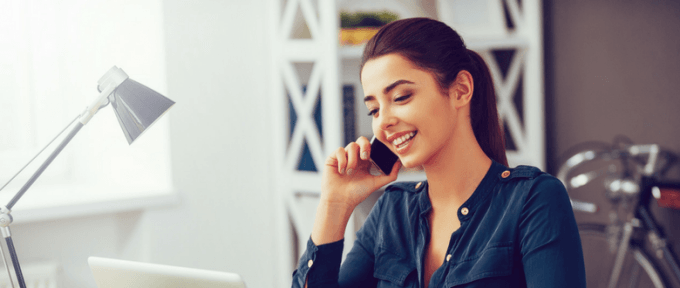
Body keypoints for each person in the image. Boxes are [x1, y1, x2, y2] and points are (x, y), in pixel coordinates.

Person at [291, 17, 586, 288]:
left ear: (460, 90)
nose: (383, 122)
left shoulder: (533, 200)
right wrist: (334, 204)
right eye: (374, 109)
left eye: (401, 97)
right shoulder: (390, 213)